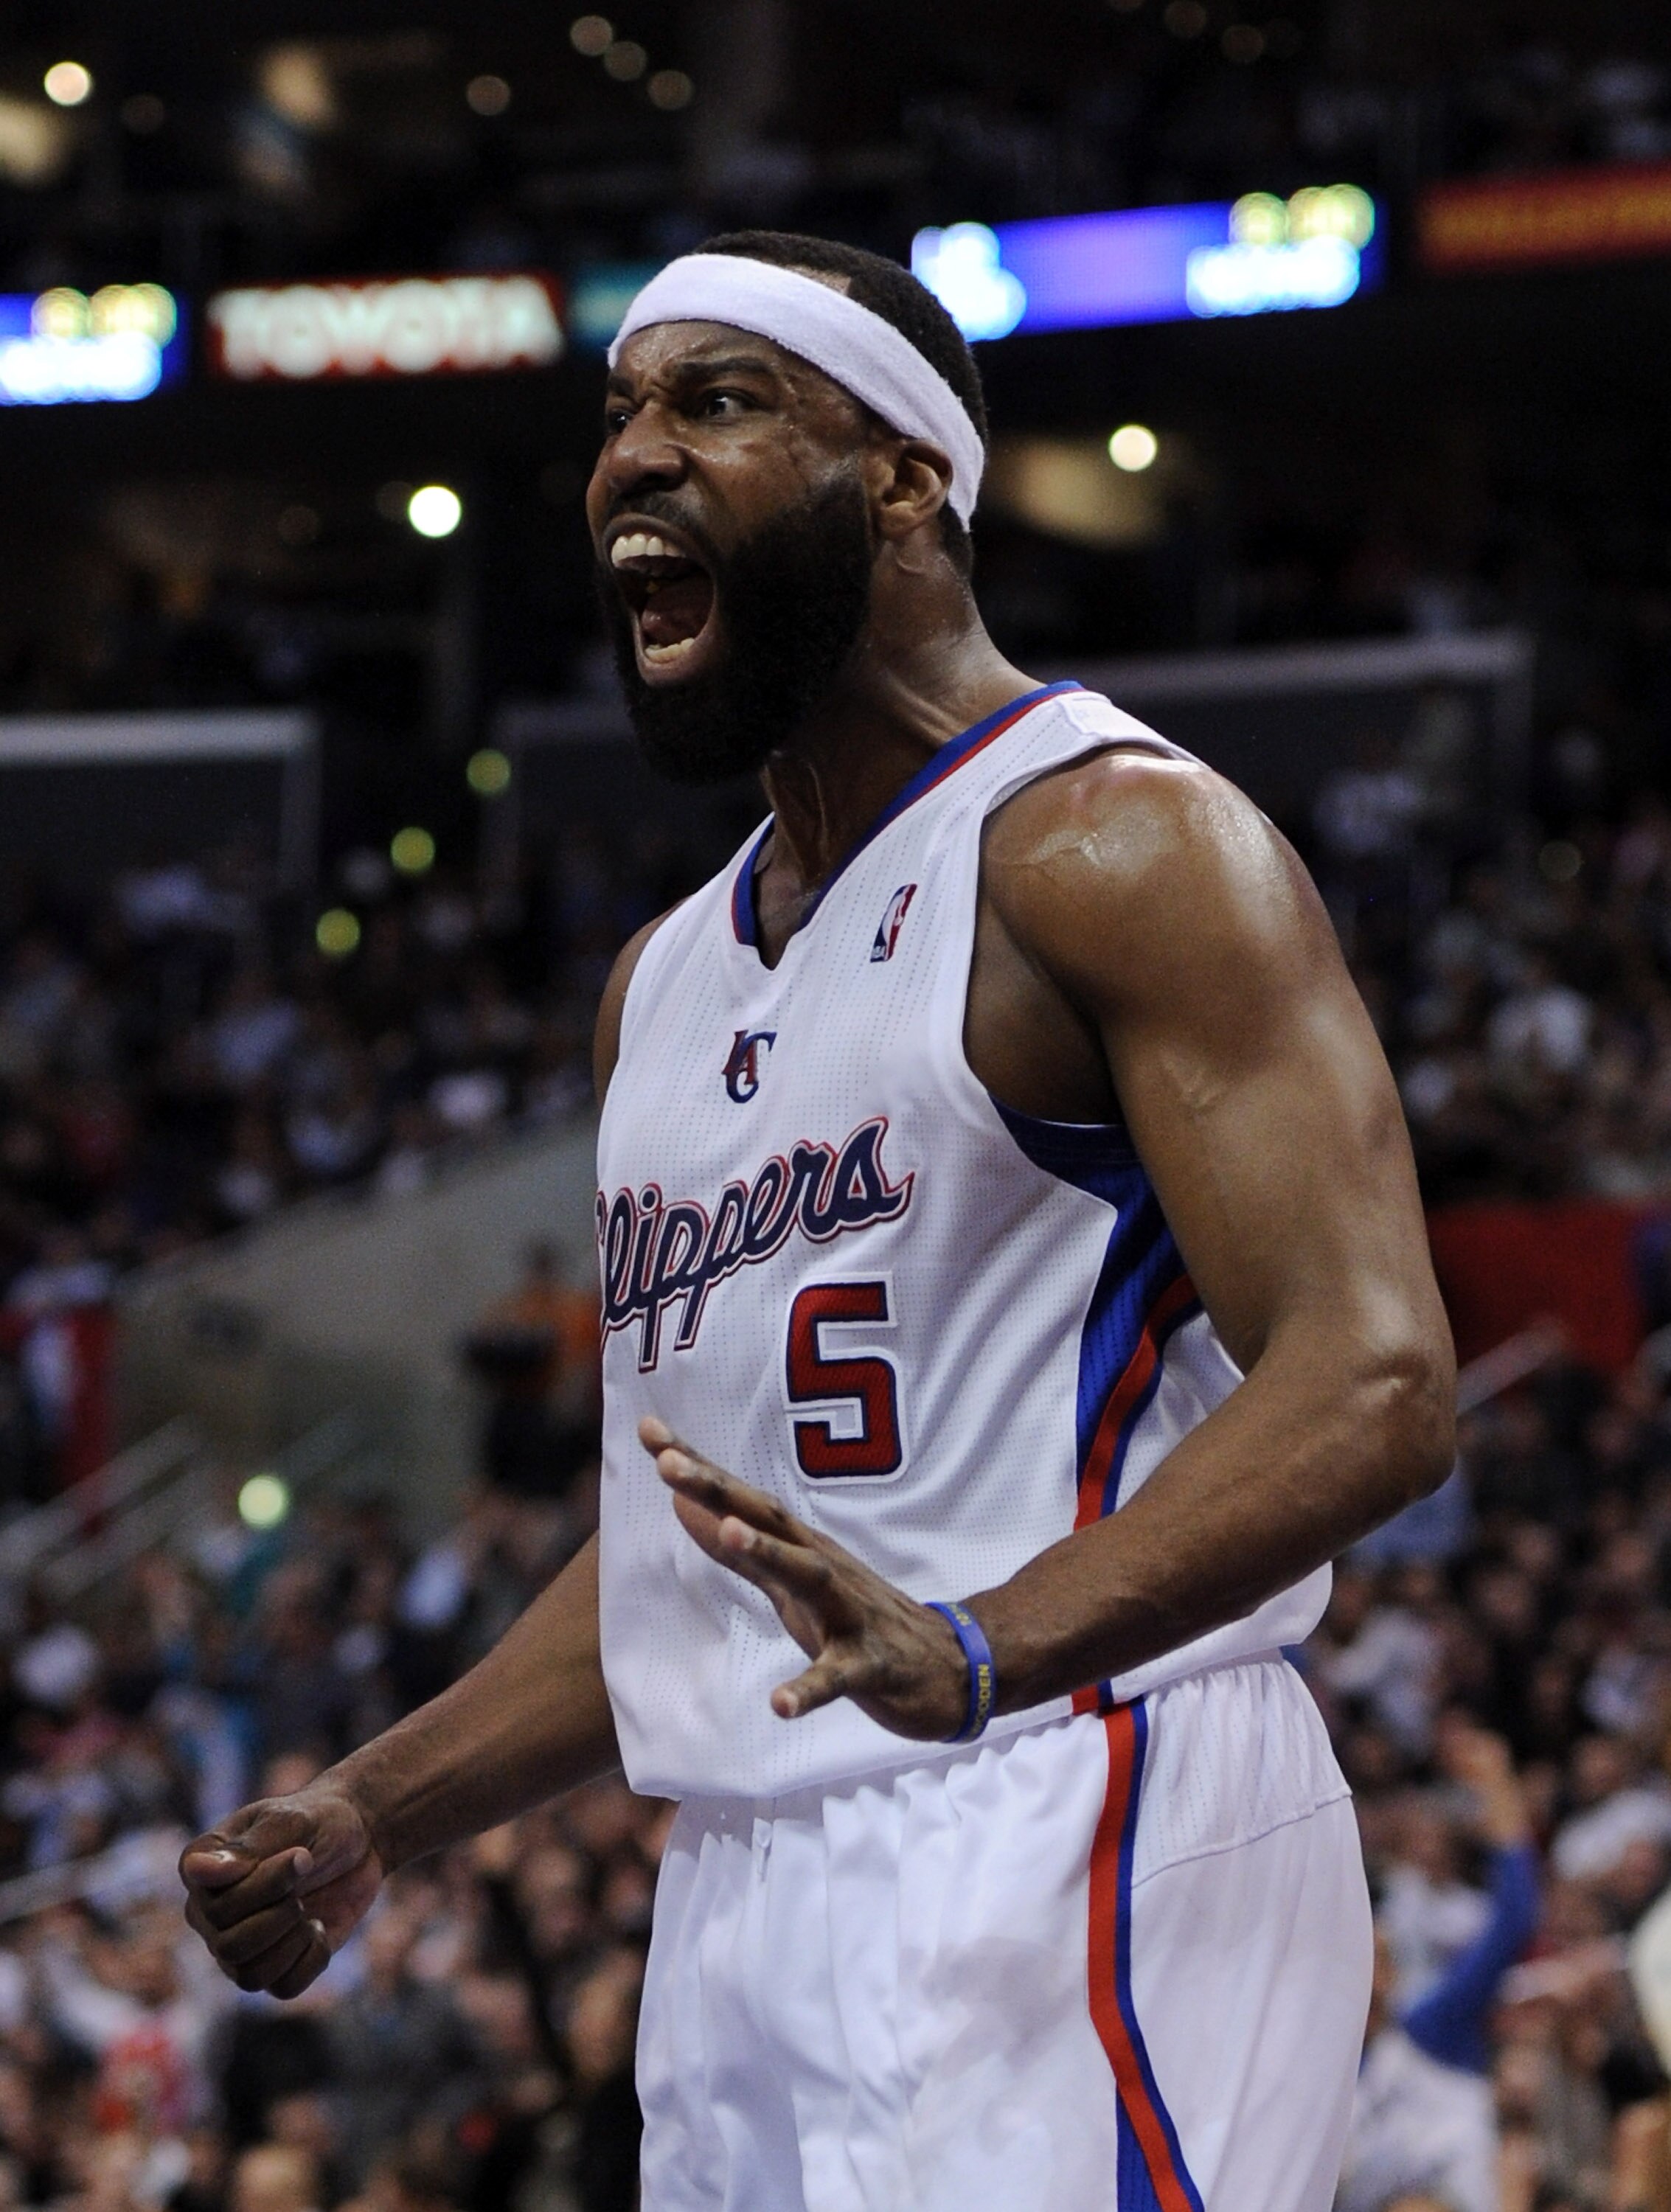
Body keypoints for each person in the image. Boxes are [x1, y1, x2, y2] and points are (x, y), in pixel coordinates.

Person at [179, 232, 1456, 2211]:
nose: (632, 457)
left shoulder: (1111, 842)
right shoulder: (660, 985)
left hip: (1072, 1784)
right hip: (742, 1885)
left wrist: (985, 1642)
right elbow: (682, 1562)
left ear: (903, 481)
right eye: (620, 415)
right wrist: (379, 1805)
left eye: (717, 401)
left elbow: (1374, 1377)